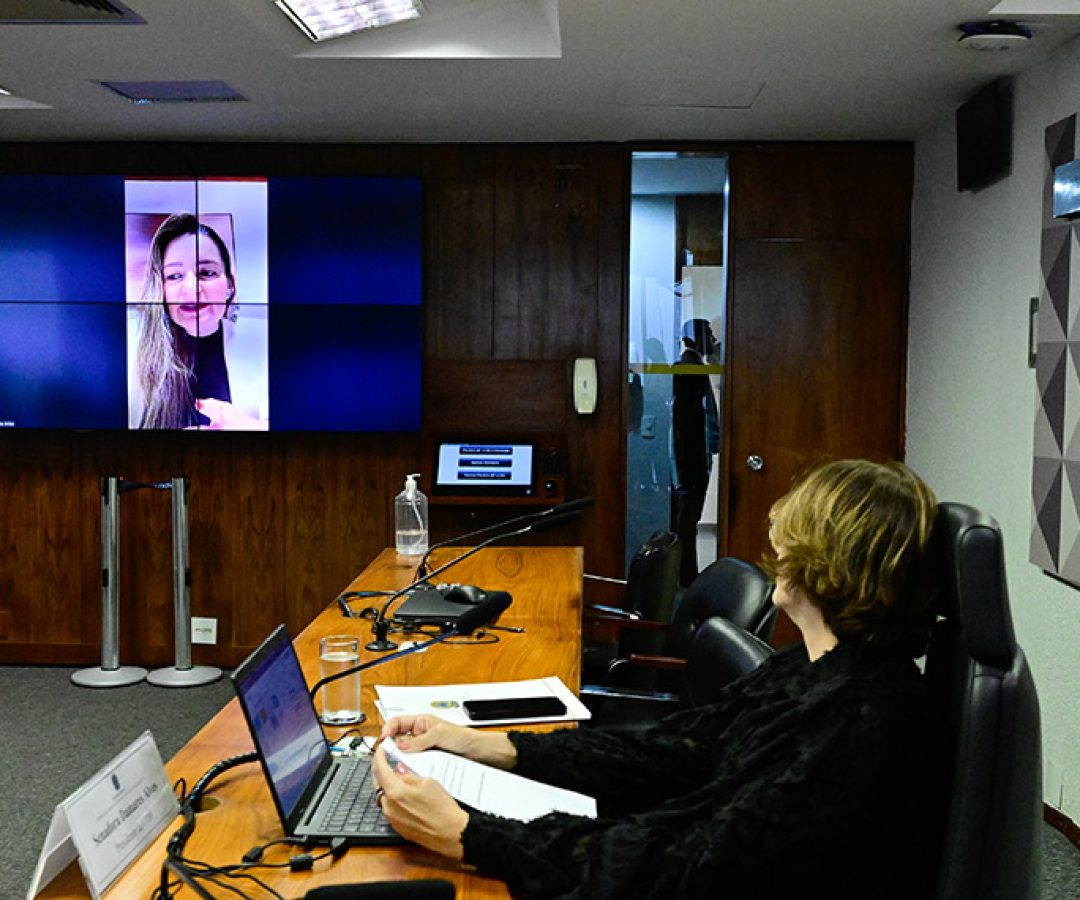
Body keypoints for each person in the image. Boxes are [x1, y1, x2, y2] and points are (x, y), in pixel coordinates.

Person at [372, 459, 946, 899]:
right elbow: (671, 753)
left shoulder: (862, 721)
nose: (778, 548)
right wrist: (483, 745)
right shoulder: (817, 670)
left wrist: (470, 836)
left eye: (794, 538)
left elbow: (689, 865)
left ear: (831, 562)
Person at [130, 212, 268, 430]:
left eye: (207, 272)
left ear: (230, 285)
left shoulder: (264, 339)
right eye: (174, 276)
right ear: (160, 290)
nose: (192, 289)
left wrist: (247, 427)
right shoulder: (130, 346)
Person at [671, 318, 721, 586]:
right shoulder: (689, 368)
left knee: (688, 515)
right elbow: (693, 419)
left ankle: (686, 573)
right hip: (691, 455)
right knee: (688, 516)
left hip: (691, 453)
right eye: (709, 333)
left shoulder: (692, 366)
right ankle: (686, 575)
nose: (713, 339)